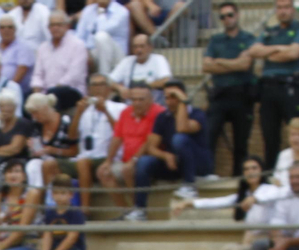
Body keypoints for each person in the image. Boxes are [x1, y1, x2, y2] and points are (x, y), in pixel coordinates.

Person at [248, 0, 299, 167]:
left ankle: (298, 171)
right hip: (269, 89)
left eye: (286, 7)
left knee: (297, 134)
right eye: (279, 8)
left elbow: (294, 53)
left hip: (292, 88)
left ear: (293, 9)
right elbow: (254, 51)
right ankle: (271, 175)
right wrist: (282, 48)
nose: (283, 11)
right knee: (270, 138)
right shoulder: (270, 31)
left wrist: (268, 52)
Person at [133, 78, 207, 211]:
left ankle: (190, 186)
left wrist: (183, 103)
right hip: (174, 164)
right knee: (144, 162)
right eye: (166, 97)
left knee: (179, 138)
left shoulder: (197, 114)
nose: (169, 101)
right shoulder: (162, 117)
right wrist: (165, 155)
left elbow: (181, 128)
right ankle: (139, 210)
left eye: (174, 97)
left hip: (197, 164)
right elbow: (151, 147)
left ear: (182, 96)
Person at [203, 2, 256, 177]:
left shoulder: (248, 38)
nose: (227, 19)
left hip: (242, 94)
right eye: (223, 17)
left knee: (241, 141)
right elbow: (206, 66)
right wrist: (233, 63)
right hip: (219, 94)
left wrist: (219, 61)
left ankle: (238, 178)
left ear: (238, 15)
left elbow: (245, 64)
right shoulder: (216, 39)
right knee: (210, 135)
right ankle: (208, 174)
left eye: (230, 15)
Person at [97, 80, 158, 219]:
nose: (136, 103)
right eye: (134, 99)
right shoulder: (126, 112)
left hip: (149, 159)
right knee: (103, 172)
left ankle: (139, 210)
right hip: (127, 159)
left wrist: (134, 160)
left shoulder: (157, 112)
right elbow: (117, 138)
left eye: (141, 99)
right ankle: (127, 211)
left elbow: (150, 141)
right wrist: (108, 161)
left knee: (127, 169)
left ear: (151, 99)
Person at [0, 157, 39, 250]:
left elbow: (22, 230)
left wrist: (0, 248)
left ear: (24, 176)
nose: (13, 175)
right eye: (9, 172)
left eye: (17, 171)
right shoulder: (0, 196)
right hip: (2, 242)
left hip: (25, 244)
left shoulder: (31, 194)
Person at [31, 173, 86, 250]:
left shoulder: (75, 212)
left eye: (63, 193)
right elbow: (47, 236)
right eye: (56, 193)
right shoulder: (50, 212)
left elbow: (71, 238)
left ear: (71, 194)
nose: (59, 197)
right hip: (53, 249)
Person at [107, 33, 169, 102]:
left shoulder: (159, 59)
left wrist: (146, 86)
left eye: (142, 46)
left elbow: (166, 80)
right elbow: (109, 80)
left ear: (150, 47)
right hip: (130, 106)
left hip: (153, 106)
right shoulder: (127, 61)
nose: (138, 50)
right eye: (135, 47)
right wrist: (120, 88)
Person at [74, 0, 128, 77]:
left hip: (117, 57)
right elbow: (79, 37)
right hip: (92, 53)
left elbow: (101, 28)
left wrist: (101, 11)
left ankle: (104, 77)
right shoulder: (88, 10)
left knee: (101, 37)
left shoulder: (121, 11)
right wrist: (85, 51)